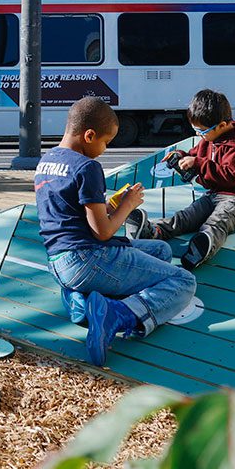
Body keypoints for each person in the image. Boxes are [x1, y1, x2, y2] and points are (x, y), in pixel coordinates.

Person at [33, 96, 197, 366]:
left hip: (58, 263)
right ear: (89, 135)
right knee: (184, 282)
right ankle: (116, 314)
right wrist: (128, 206)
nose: (105, 149)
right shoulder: (87, 167)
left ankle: (79, 299)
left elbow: (71, 214)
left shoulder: (47, 160)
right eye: (105, 142)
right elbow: (103, 232)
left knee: (161, 250)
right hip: (87, 259)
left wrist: (111, 205)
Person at [128, 89, 235, 270]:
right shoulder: (210, 137)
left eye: (201, 130)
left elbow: (229, 176)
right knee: (187, 216)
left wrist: (198, 163)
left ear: (222, 125)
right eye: (195, 130)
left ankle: (203, 245)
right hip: (213, 194)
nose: (199, 134)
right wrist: (180, 156)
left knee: (219, 220)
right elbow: (195, 154)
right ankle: (154, 231)